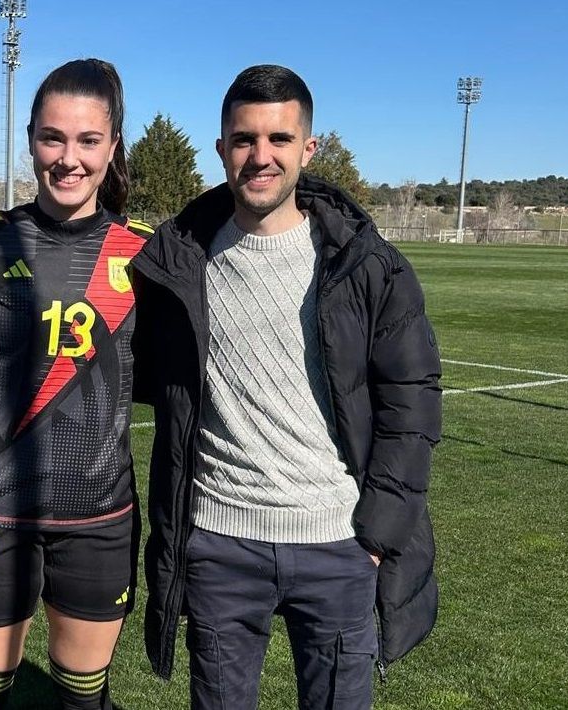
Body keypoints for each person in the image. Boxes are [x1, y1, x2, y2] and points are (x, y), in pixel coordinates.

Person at [132, 65, 442, 709]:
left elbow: (412, 402)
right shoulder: (178, 260)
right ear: (221, 149)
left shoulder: (367, 263)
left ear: (309, 148)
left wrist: (379, 535)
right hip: (219, 541)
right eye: (244, 139)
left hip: (338, 542)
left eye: (279, 139)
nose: (260, 157)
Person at [0, 58, 152, 709]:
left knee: (82, 697)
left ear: (112, 145)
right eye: (52, 138)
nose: (68, 159)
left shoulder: (146, 253)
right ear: (30, 138)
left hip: (99, 516)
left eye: (88, 141)